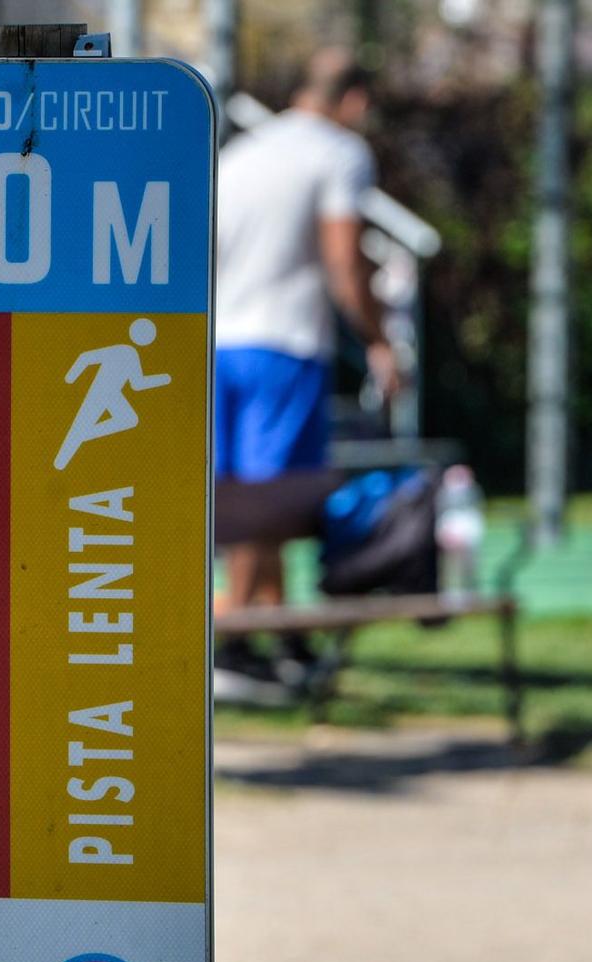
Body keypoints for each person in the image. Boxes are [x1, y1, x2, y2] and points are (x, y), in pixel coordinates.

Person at [213, 48, 402, 696]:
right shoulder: (339, 153)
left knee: (244, 495)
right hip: (283, 344)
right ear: (355, 101)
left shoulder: (241, 154)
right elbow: (345, 263)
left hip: (219, 343)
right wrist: (379, 342)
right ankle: (233, 644)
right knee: (267, 503)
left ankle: (285, 640)